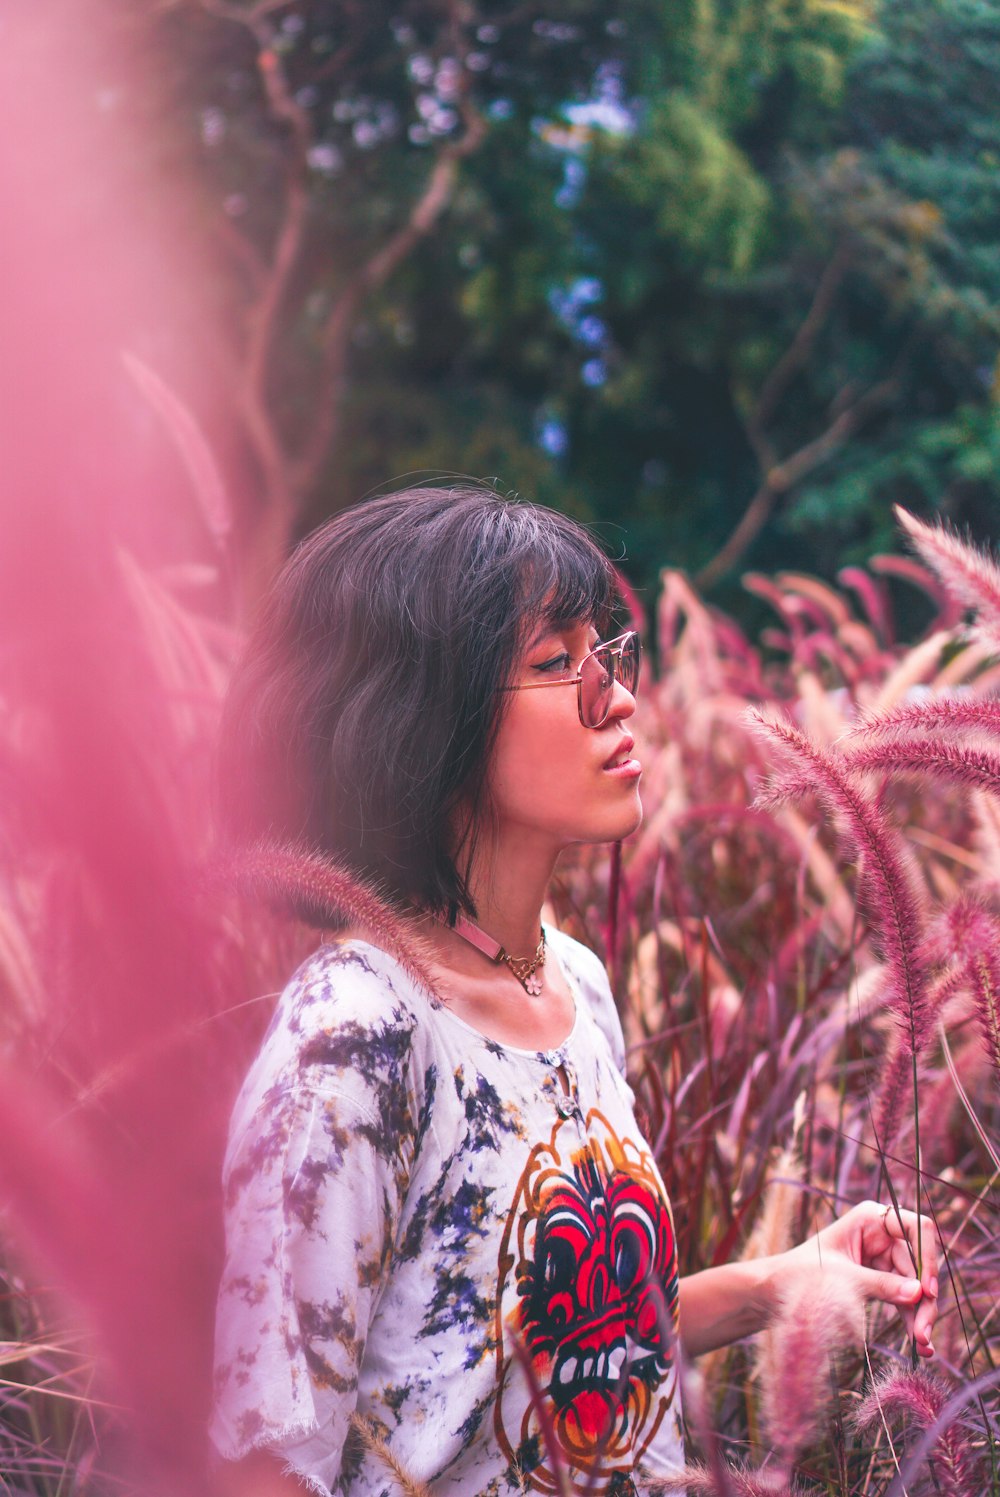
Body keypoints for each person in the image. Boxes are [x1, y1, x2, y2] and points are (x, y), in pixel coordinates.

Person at [209, 486, 938, 1497]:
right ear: (418, 721)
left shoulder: (572, 982)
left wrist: (785, 1280)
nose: (618, 697)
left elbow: (537, 1344)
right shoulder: (358, 1037)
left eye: (611, 653)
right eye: (557, 665)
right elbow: (266, 1456)